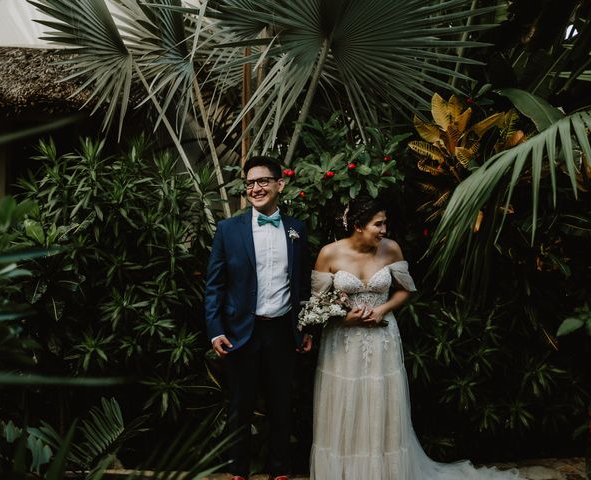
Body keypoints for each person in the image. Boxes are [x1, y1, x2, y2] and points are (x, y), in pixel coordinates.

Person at [309, 197, 522, 479]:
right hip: (343, 341)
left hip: (381, 338)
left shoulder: (391, 249)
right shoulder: (329, 253)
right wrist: (343, 317)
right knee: (345, 401)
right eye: (378, 224)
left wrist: (382, 309)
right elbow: (316, 302)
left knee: (380, 399)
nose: (384, 229)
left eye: (385, 223)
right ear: (358, 226)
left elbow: (405, 290)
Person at [205, 156, 312, 480]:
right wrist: (215, 331)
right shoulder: (227, 230)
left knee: (281, 405)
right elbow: (215, 286)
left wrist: (305, 327)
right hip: (241, 333)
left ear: (280, 184)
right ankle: (237, 472)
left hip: (281, 331)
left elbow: (302, 283)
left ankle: (279, 471)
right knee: (239, 407)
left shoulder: (297, 229)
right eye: (250, 183)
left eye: (263, 181)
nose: (256, 188)